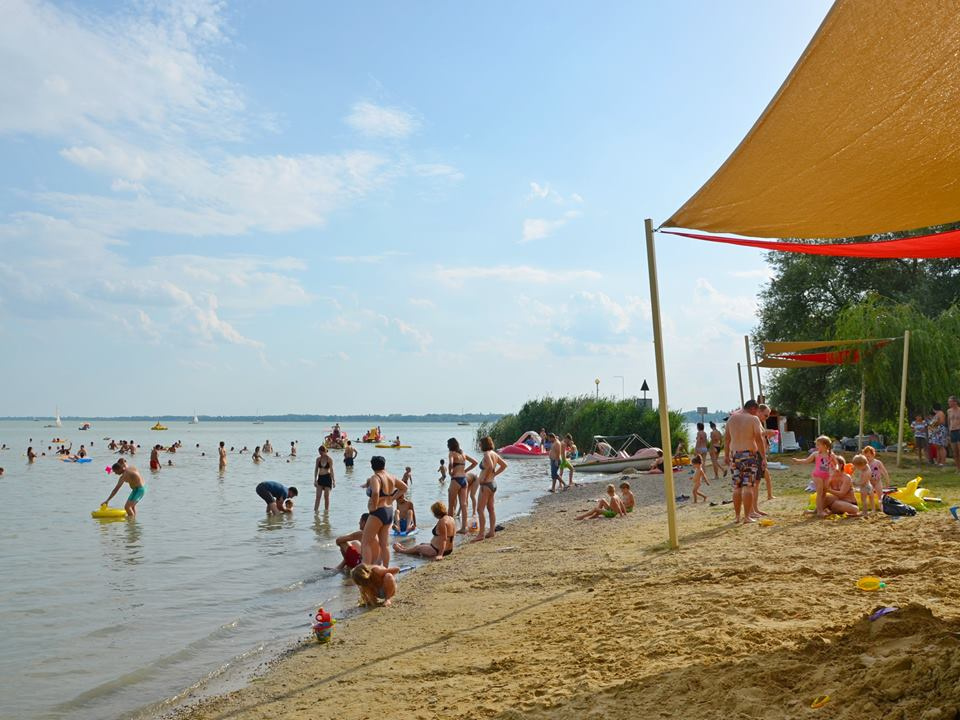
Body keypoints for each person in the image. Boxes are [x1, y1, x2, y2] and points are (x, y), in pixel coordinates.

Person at [723, 400, 765, 524]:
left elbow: (726, 439)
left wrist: (726, 455)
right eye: (756, 411)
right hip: (749, 455)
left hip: (735, 454)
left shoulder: (731, 419)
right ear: (753, 409)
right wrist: (763, 457)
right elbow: (758, 438)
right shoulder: (753, 419)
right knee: (748, 486)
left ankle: (737, 517)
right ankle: (746, 517)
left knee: (737, 487)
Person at [361, 455, 407, 566]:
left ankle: (366, 571)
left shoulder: (375, 477)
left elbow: (376, 492)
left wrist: (374, 506)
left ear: (372, 466)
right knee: (384, 544)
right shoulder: (391, 476)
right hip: (389, 510)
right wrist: (392, 498)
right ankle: (386, 569)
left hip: (378, 512)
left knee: (365, 542)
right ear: (384, 465)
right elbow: (404, 488)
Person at [473, 436, 507, 541]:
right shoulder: (494, 453)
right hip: (492, 484)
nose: (479, 445)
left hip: (486, 484)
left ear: (483, 444)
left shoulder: (487, 454)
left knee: (480, 509)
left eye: (480, 443)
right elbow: (504, 465)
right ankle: (491, 531)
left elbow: (490, 466)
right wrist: (494, 475)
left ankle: (481, 534)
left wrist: (484, 478)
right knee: (491, 509)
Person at [447, 438, 478, 533]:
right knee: (464, 504)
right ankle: (464, 528)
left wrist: (450, 472)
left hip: (456, 480)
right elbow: (475, 462)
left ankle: (450, 528)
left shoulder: (452, 453)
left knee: (451, 505)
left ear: (450, 445)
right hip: (464, 480)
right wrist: (465, 470)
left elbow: (451, 463)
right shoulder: (463, 454)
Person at [314, 446, 335, 512]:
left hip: (327, 478)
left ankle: (326, 512)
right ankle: (315, 511)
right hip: (320, 478)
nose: (320, 454)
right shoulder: (318, 459)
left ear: (325, 451)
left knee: (326, 497)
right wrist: (315, 480)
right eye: (319, 453)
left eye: (321, 452)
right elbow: (316, 470)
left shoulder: (329, 459)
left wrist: (333, 480)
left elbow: (331, 470)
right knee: (318, 496)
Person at [948, 396, 960, 472]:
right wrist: (949, 432)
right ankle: (958, 468)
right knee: (955, 452)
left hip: (959, 430)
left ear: (955, 402)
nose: (949, 403)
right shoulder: (949, 411)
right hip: (952, 431)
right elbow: (949, 422)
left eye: (950, 402)